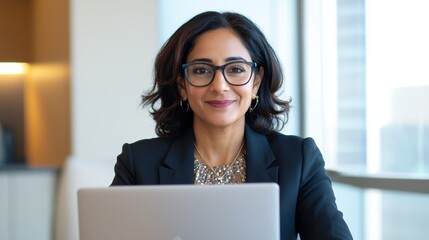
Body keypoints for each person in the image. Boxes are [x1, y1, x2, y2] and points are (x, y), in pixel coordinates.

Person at [111, 11, 352, 239]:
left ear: (256, 82)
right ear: (182, 86)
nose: (219, 86)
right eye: (202, 70)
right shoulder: (137, 163)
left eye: (236, 69)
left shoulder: (299, 160)